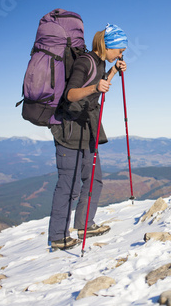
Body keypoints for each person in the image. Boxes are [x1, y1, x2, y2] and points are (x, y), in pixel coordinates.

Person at [48, 24, 128, 250]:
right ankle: (57, 236)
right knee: (68, 185)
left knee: (94, 179)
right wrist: (95, 88)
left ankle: (85, 225)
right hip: (70, 130)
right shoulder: (85, 61)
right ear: (108, 45)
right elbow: (71, 94)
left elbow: (99, 86)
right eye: (119, 50)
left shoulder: (101, 62)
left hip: (88, 127)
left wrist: (112, 72)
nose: (121, 54)